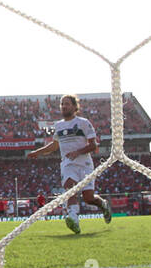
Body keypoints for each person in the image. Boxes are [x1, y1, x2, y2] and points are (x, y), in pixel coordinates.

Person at [26, 94, 112, 234]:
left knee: (88, 198)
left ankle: (103, 204)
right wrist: (38, 152)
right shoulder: (59, 125)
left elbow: (93, 145)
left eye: (67, 103)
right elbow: (54, 146)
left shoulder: (83, 122)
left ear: (74, 106)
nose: (64, 106)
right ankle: (73, 219)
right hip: (68, 164)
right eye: (62, 104)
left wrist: (77, 152)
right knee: (70, 188)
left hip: (84, 164)